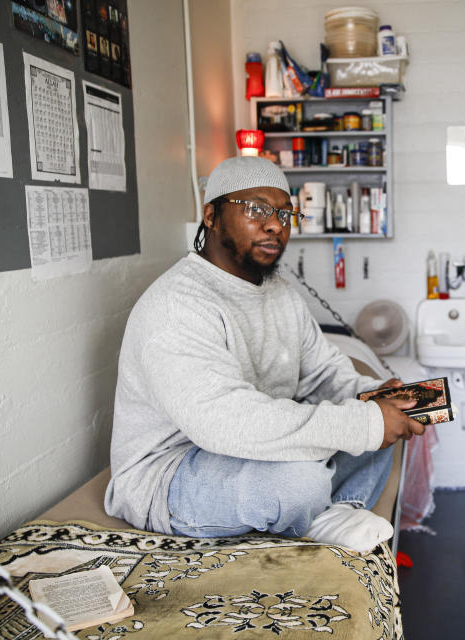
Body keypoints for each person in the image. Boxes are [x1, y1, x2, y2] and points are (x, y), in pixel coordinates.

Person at [104, 156, 425, 552]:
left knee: (379, 428)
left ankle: (335, 514)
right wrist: (362, 424)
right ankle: (321, 507)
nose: (276, 225)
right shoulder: (177, 304)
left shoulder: (281, 296)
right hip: (174, 469)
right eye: (257, 209)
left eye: (285, 214)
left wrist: (376, 394)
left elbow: (324, 374)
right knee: (301, 479)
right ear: (211, 215)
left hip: (258, 445)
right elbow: (223, 422)